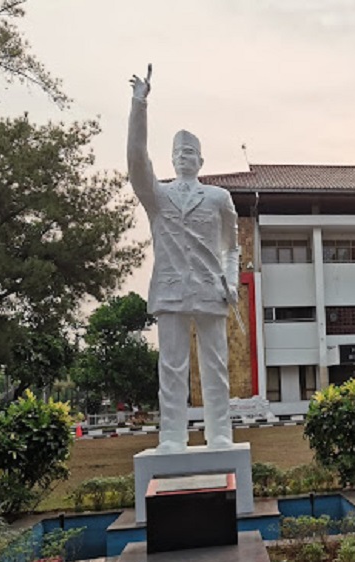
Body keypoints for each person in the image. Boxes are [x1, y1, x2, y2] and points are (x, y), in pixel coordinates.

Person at [127, 66, 240, 453]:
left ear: (201, 159)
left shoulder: (218, 198)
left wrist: (231, 279)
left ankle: (219, 433)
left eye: (190, 152)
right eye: (178, 153)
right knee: (172, 367)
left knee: (216, 366)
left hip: (211, 289)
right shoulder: (157, 196)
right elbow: (137, 160)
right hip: (172, 288)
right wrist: (139, 105)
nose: (184, 158)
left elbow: (233, 246)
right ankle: (172, 435)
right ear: (171, 159)